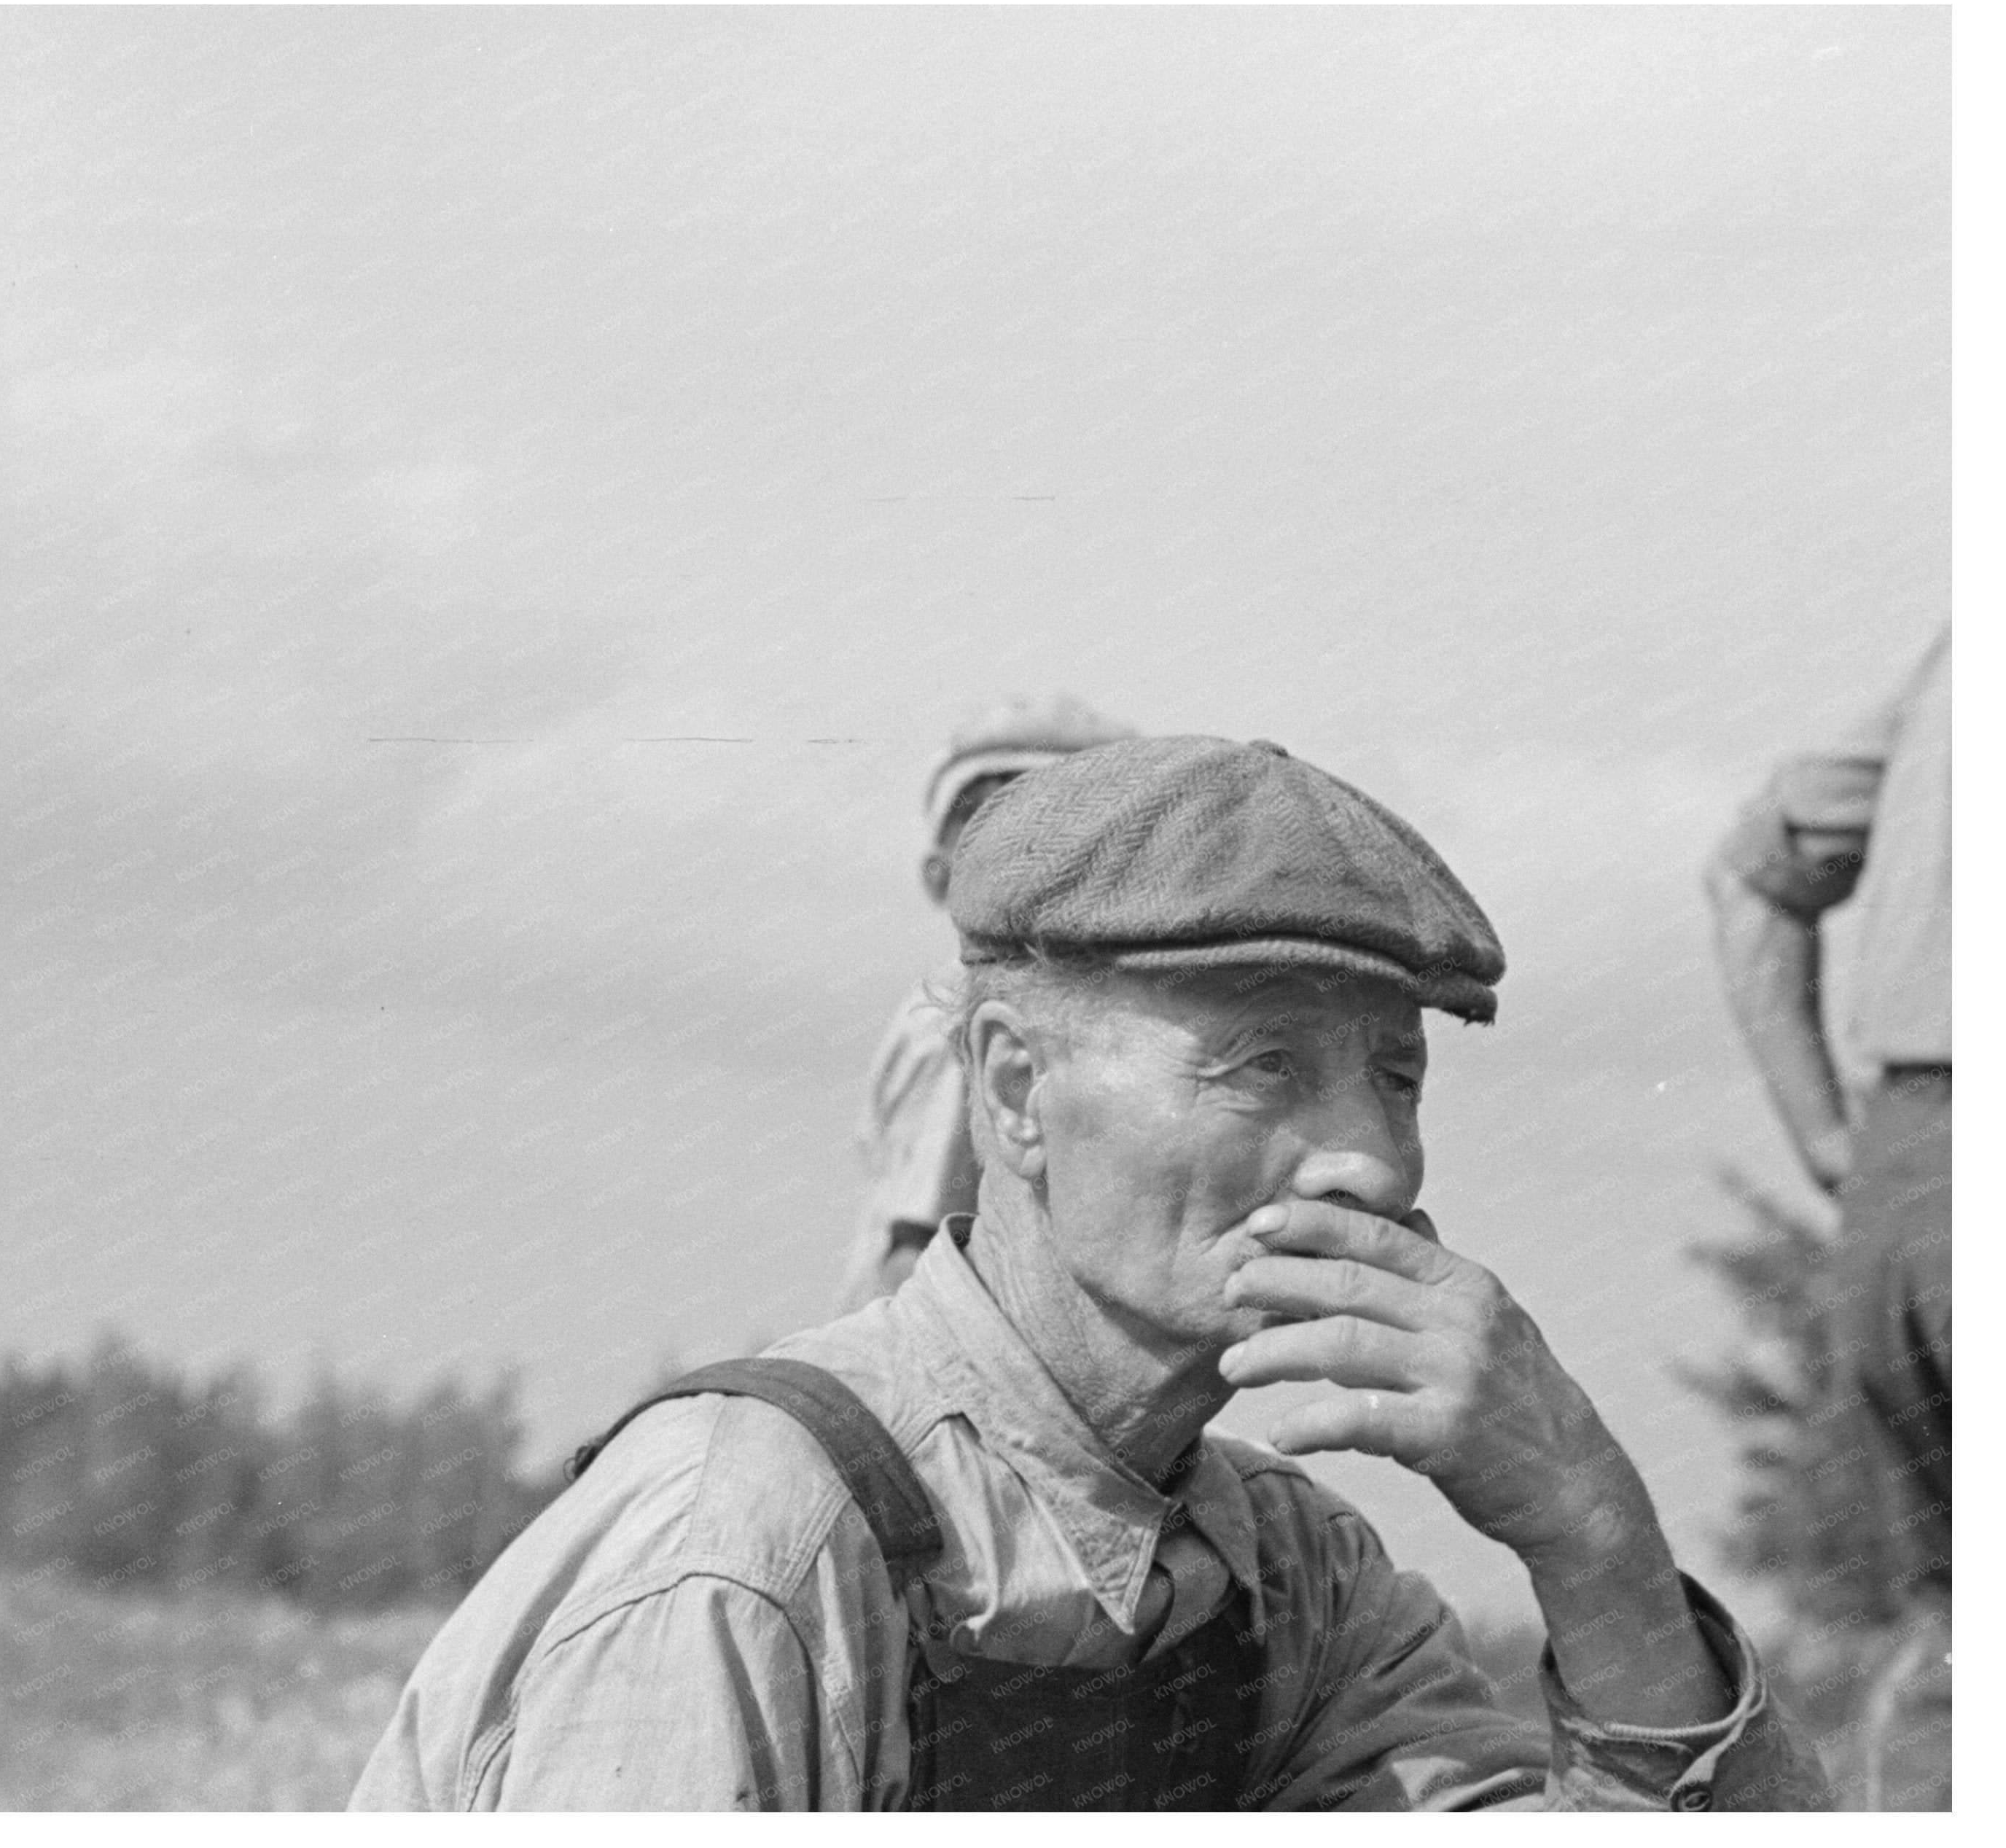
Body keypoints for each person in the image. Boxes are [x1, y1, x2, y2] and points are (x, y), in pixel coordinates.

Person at [354, 736, 1831, 1810]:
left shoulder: (1285, 1579)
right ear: (1010, 1091)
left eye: (1395, 1075)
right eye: (1261, 1064)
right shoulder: (753, 1541)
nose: (1370, 1163)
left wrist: (1593, 1537)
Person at [1703, 625, 1949, 1810]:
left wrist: (1834, 1144)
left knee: (1959, 1634)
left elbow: (1748, 879)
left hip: (1907, 1174)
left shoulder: (1955, 649)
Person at [837, 693, 1138, 1313]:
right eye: (987, 817)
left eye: (1062, 817)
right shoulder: (968, 1011)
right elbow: (914, 1249)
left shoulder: (1097, 1014)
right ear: (939, 872)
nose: (1027, 844)